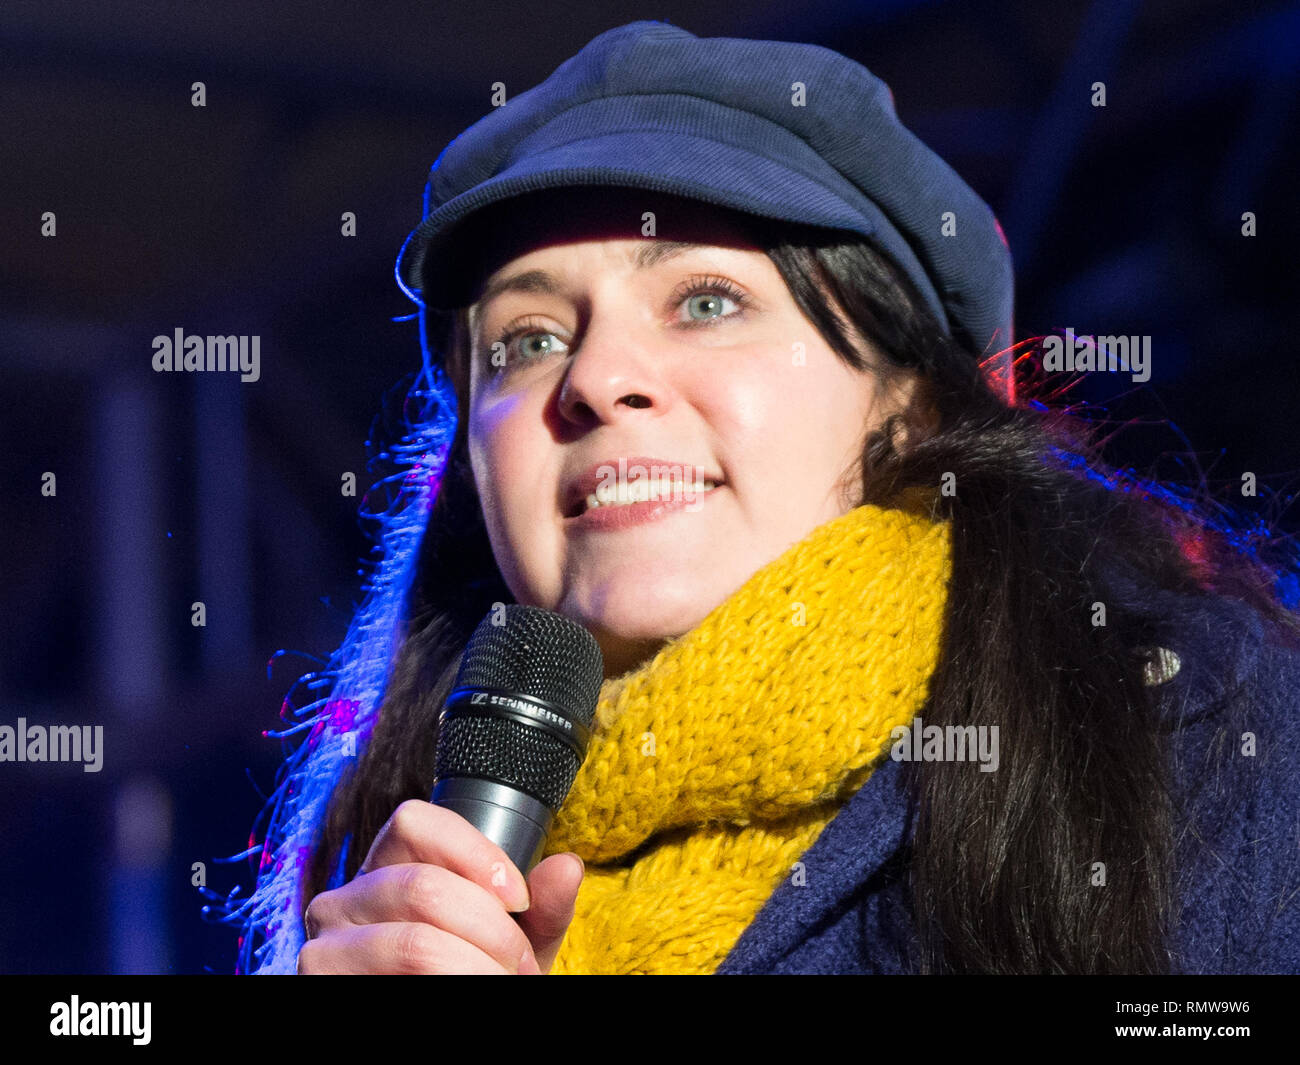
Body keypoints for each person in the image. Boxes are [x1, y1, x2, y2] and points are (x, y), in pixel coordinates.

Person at [225, 21, 1300, 975]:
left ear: (909, 404)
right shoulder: (385, 875)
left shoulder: (1193, 732)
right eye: (529, 338)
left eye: (703, 301)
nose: (593, 379)